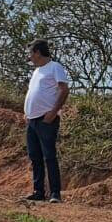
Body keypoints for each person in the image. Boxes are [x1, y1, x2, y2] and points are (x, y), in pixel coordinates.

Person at [22, 40, 69, 203]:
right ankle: (38, 191)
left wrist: (53, 112)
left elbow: (64, 89)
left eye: (31, 53)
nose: (30, 57)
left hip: (46, 119)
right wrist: (27, 112)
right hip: (32, 120)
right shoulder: (37, 71)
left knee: (49, 155)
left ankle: (55, 193)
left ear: (38, 52)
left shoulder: (55, 67)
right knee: (35, 156)